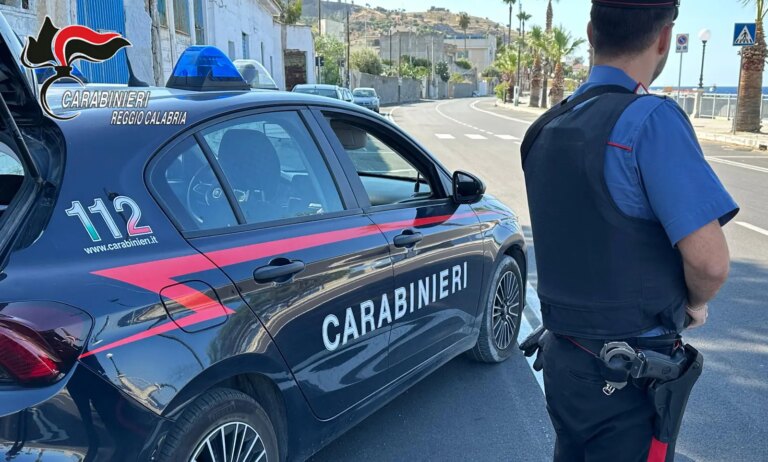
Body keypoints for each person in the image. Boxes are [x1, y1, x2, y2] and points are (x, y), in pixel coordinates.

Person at [520, 1, 739, 461]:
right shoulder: (650, 121)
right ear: (664, 38)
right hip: (630, 372)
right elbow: (710, 263)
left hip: (564, 361)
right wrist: (694, 305)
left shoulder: (545, 127)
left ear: (591, 32)